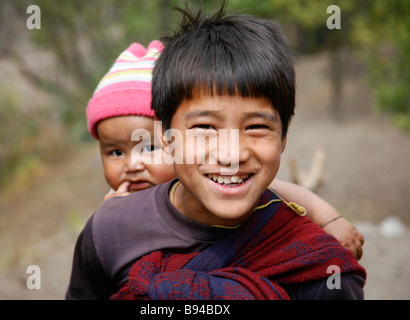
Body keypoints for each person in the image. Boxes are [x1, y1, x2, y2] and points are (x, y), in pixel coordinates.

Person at [66, 7, 366, 298]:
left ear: (283, 138)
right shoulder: (108, 232)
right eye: (205, 127)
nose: (231, 154)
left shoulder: (320, 270)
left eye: (256, 127)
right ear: (167, 138)